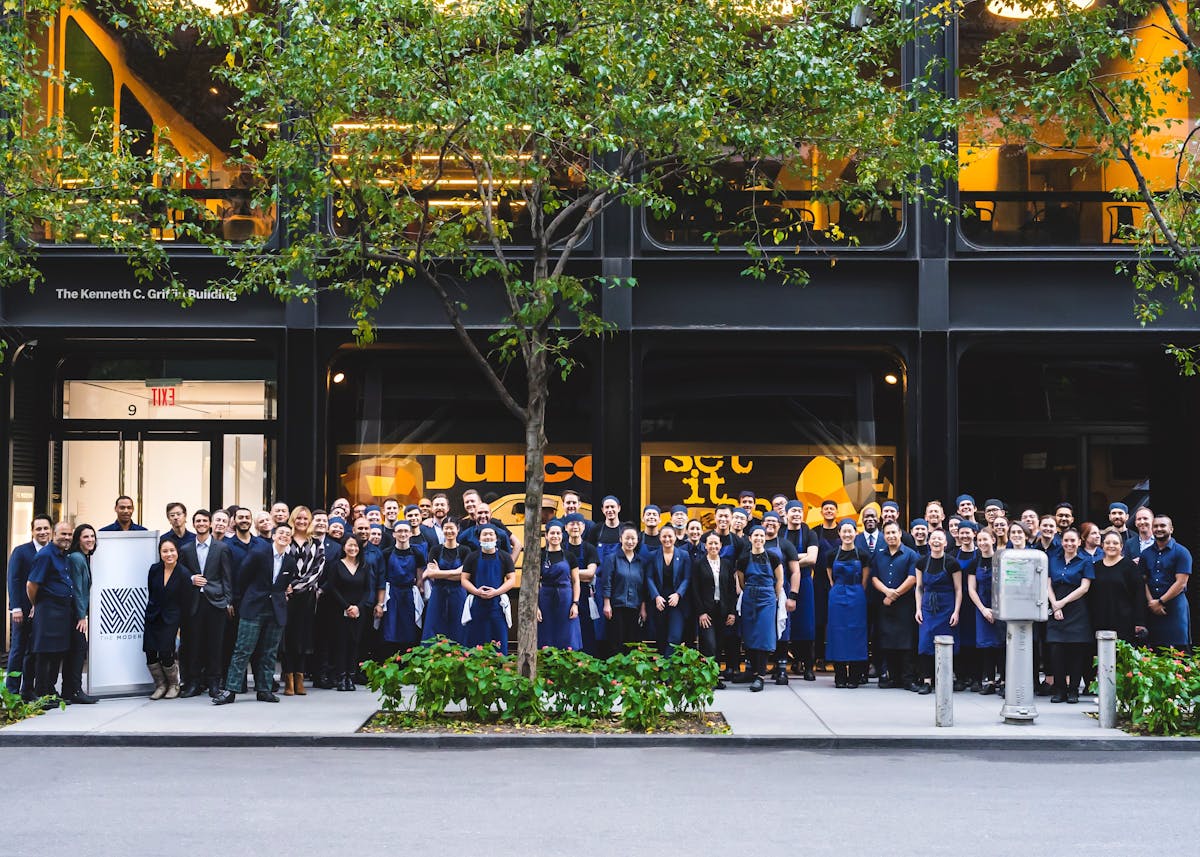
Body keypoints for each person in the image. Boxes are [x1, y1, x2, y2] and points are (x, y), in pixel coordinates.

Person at [213, 524, 299, 704]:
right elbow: (243, 576)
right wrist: (247, 598)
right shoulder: (259, 553)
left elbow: (287, 582)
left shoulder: (290, 561)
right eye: (281, 533)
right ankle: (230, 690)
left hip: (276, 610)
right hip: (254, 607)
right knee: (242, 650)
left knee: (269, 652)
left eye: (288, 535)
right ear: (274, 536)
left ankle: (264, 689)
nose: (284, 536)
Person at [178, 509, 234, 699]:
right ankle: (193, 683)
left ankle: (214, 684)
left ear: (210, 524)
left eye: (204, 520)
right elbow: (181, 573)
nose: (201, 523)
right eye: (198, 521)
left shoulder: (221, 548)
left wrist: (228, 601)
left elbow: (227, 576)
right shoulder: (185, 549)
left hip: (216, 602)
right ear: (193, 524)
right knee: (193, 644)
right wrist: (191, 578)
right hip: (194, 602)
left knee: (215, 645)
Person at [25, 521, 75, 704]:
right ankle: (41, 695)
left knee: (56, 653)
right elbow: (31, 584)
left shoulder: (63, 555)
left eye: (70, 534)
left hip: (61, 612)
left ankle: (50, 691)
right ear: (54, 534)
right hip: (47, 611)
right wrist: (36, 604)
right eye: (63, 534)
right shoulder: (46, 555)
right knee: (44, 653)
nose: (67, 538)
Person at [734, 526, 786, 692]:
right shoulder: (743, 559)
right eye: (756, 535)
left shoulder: (773, 557)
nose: (759, 538)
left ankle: (760, 676)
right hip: (749, 597)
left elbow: (779, 580)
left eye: (761, 535)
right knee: (749, 635)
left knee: (764, 636)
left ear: (765, 538)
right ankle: (752, 671)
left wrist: (774, 597)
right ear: (750, 538)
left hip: (767, 598)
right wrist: (751, 592)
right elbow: (742, 582)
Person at [7, 514, 53, 698]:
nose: (42, 532)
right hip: (23, 610)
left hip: (44, 611)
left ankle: (27, 690)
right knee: (18, 649)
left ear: (51, 530)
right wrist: (16, 607)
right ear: (32, 531)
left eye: (46, 528)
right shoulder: (21, 551)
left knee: (35, 651)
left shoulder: (54, 551)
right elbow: (14, 580)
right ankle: (11, 691)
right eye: (38, 529)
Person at [1046, 528, 1093, 703]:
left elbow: (1084, 587)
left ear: (1079, 542)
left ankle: (1073, 690)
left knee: (1076, 652)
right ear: (1062, 542)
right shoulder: (1053, 560)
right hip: (1056, 608)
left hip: (1077, 610)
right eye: (1066, 540)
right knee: (1056, 651)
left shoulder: (1086, 561)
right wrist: (1055, 605)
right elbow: (1047, 583)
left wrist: (1062, 603)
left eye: (1073, 540)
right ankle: (1060, 690)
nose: (1069, 544)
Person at [913, 530, 961, 695]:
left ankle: (947, 678)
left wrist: (956, 611)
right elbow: (919, 587)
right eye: (933, 538)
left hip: (947, 606)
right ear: (929, 541)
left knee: (947, 643)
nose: (936, 541)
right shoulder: (921, 562)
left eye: (940, 539)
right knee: (925, 643)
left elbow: (958, 589)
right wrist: (918, 609)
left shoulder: (952, 563)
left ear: (945, 543)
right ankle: (927, 681)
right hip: (927, 606)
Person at [281, 506, 322, 695]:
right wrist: (285, 585)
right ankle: (288, 677)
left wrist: (296, 587)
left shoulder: (315, 543)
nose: (302, 521)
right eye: (299, 518)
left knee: (303, 637)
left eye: (306, 518)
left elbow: (317, 570)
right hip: (287, 597)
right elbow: (279, 564)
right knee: (288, 637)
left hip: (306, 596)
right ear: (293, 519)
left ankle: (300, 677)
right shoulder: (285, 539)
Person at [872, 521, 918, 689]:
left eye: (894, 532)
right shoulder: (879, 554)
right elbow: (874, 577)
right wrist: (887, 592)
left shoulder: (911, 554)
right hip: (885, 604)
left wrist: (895, 594)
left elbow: (913, 578)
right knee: (887, 641)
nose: (891, 536)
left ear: (900, 533)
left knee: (906, 642)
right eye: (888, 533)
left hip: (905, 605)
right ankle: (893, 677)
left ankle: (907, 678)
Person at [826, 519, 871, 688]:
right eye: (843, 531)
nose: (847, 534)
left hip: (857, 595)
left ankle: (854, 676)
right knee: (837, 633)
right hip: (837, 595)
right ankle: (839, 675)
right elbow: (830, 576)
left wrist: (858, 591)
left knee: (856, 633)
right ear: (839, 533)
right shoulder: (831, 555)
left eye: (850, 531)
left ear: (855, 532)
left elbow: (865, 579)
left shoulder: (863, 554)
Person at [143, 539, 189, 700]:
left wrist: (180, 626)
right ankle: (160, 685)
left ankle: (173, 684)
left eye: (172, 550)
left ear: (177, 552)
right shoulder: (154, 569)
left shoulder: (183, 573)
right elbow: (151, 591)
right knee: (150, 652)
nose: (169, 554)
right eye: (165, 551)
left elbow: (185, 601)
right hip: (153, 615)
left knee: (165, 652)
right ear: (160, 553)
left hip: (172, 618)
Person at [326, 536, 373, 691]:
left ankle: (350, 677)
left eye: (356, 546)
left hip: (359, 612)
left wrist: (358, 607)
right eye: (349, 545)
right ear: (344, 547)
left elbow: (367, 589)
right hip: (340, 610)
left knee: (354, 643)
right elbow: (332, 588)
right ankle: (340, 677)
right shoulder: (336, 565)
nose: (353, 548)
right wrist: (347, 606)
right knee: (341, 643)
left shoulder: (364, 566)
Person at [692, 532, 737, 689]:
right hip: (707, 611)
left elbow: (731, 590)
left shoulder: (726, 564)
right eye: (710, 543)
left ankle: (715, 677)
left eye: (716, 543)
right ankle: (707, 678)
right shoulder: (698, 564)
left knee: (719, 645)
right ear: (705, 546)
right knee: (709, 645)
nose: (713, 546)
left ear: (720, 546)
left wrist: (732, 612)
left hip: (723, 610)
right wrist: (701, 612)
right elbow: (695, 590)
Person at [462, 524, 517, 652]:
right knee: (475, 642)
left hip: (497, 606)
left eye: (491, 534)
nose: (488, 537)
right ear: (479, 539)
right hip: (477, 605)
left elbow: (512, 579)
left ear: (496, 538)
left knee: (498, 642)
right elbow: (464, 579)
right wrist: (476, 591)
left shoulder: (505, 557)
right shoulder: (472, 557)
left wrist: (496, 592)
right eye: (484, 534)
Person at [1140, 515, 1191, 649]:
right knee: (1153, 651)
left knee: (1179, 653)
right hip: (1152, 610)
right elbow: (1143, 580)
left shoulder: (1182, 552)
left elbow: (1181, 583)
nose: (1159, 529)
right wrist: (1152, 603)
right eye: (1155, 526)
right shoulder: (1145, 554)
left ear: (1171, 529)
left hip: (1174, 608)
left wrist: (1160, 602)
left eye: (1163, 526)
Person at [376, 521, 426, 658]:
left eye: (405, 531)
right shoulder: (386, 553)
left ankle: (407, 664)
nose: (403, 534)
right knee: (390, 629)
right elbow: (383, 577)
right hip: (392, 594)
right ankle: (390, 663)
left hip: (409, 594)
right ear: (394, 534)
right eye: (399, 531)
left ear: (410, 533)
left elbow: (420, 576)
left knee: (409, 629)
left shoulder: (417, 553)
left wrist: (420, 590)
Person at [782, 501, 819, 680]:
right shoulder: (781, 531)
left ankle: (808, 666)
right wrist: (799, 557)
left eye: (800, 511)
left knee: (806, 626)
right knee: (784, 623)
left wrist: (788, 560)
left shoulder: (809, 533)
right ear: (786, 513)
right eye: (793, 511)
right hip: (783, 581)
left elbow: (812, 558)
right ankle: (786, 663)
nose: (797, 514)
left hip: (804, 582)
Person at [62, 524, 98, 704]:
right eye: (86, 537)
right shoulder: (77, 558)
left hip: (76, 613)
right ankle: (74, 690)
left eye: (92, 536)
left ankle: (69, 690)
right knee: (78, 650)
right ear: (78, 539)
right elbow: (76, 589)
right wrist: (81, 616)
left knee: (75, 650)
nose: (90, 539)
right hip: (75, 615)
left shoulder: (84, 557)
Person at [1090, 530, 1147, 644]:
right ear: (1102, 545)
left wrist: (1139, 622)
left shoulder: (1130, 567)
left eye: (1115, 543)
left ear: (1121, 546)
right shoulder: (1095, 567)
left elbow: (1139, 596)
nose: (1111, 546)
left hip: (1125, 622)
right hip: (1100, 620)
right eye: (1108, 543)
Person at [600, 525, 647, 655]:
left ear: (637, 540)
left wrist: (643, 608)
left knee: (632, 641)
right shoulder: (612, 558)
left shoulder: (641, 561)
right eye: (627, 538)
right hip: (616, 605)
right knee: (616, 640)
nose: (630, 542)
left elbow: (643, 587)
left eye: (633, 538)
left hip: (635, 606)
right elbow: (607, 582)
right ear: (621, 539)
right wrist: (607, 603)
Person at [422, 518, 470, 643]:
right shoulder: (435, 550)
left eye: (451, 528)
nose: (449, 531)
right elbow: (431, 574)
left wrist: (440, 573)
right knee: (434, 627)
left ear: (458, 529)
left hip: (459, 593)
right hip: (438, 593)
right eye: (446, 528)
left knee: (459, 627)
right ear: (442, 530)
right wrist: (455, 572)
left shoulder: (465, 550)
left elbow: (465, 576)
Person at [968, 528, 1004, 694]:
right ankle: (989, 681)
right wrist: (983, 609)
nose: (982, 543)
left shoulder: (1002, 559)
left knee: (1002, 644)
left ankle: (1004, 680)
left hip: (1002, 607)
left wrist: (998, 609)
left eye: (985, 539)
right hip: (982, 607)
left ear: (993, 540)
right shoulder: (974, 562)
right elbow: (971, 589)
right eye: (979, 540)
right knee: (987, 646)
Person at [646, 526, 691, 654]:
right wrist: (656, 596)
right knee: (661, 637)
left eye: (670, 536)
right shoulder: (652, 555)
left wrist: (678, 594)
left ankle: (668, 669)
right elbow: (649, 577)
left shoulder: (683, 555)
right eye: (664, 536)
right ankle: (662, 669)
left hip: (677, 602)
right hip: (659, 601)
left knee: (675, 637)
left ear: (675, 537)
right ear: (660, 538)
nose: (667, 539)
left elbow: (687, 578)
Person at [536, 522, 581, 650]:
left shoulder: (569, 556)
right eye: (552, 533)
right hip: (545, 599)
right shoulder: (540, 556)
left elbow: (576, 581)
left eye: (558, 533)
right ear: (546, 535)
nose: (555, 536)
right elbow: (534, 583)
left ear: (562, 535)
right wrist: (536, 607)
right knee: (546, 637)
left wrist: (575, 603)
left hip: (566, 599)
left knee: (567, 638)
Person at [563, 513, 601, 655]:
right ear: (566, 528)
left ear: (584, 527)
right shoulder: (561, 548)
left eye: (578, 523)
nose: (575, 526)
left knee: (586, 630)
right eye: (572, 524)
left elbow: (591, 573)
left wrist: (568, 573)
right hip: (565, 594)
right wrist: (580, 574)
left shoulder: (589, 548)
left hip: (585, 595)